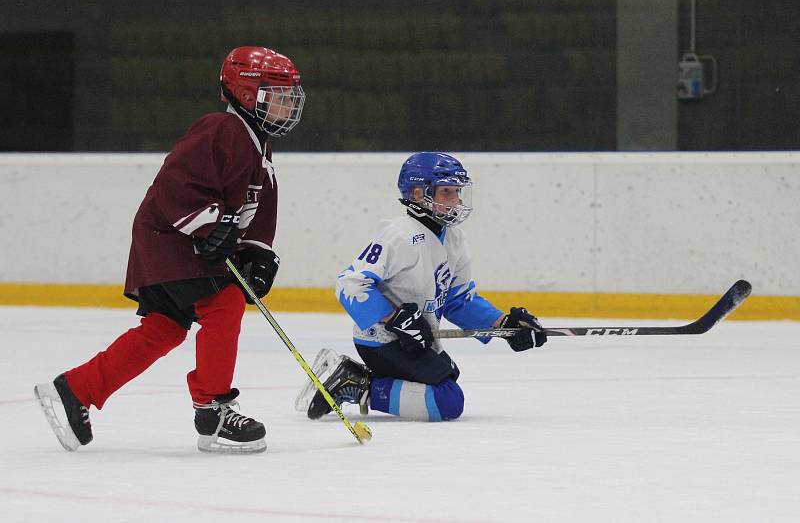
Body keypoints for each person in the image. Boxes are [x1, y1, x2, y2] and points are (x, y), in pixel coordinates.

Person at [34, 46, 305, 454]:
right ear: (248, 94)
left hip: (177, 242)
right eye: (278, 95)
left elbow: (257, 210)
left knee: (164, 328)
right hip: (171, 237)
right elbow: (175, 185)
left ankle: (75, 388)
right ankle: (213, 412)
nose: (287, 105)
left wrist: (258, 254)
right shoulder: (221, 130)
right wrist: (210, 226)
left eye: (289, 97)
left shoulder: (258, 146)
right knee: (224, 302)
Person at [296, 152, 547, 422]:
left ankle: (358, 377)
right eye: (447, 192)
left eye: (458, 192)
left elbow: (457, 300)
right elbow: (351, 282)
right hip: (382, 340)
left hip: (415, 339)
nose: (457, 200)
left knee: (448, 375)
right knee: (446, 401)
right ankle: (355, 384)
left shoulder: (453, 239)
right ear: (418, 194)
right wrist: (396, 319)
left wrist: (504, 324)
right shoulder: (400, 235)